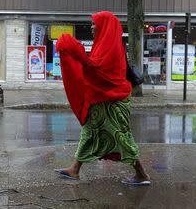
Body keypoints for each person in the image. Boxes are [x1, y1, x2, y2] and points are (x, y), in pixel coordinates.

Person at [55, 11, 150, 186]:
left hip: (114, 100)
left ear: (104, 26)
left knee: (120, 136)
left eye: (94, 24)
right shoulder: (106, 44)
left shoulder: (110, 47)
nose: (91, 27)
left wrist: (73, 49)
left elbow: (97, 69)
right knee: (90, 131)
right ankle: (75, 169)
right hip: (101, 99)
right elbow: (94, 68)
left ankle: (141, 174)